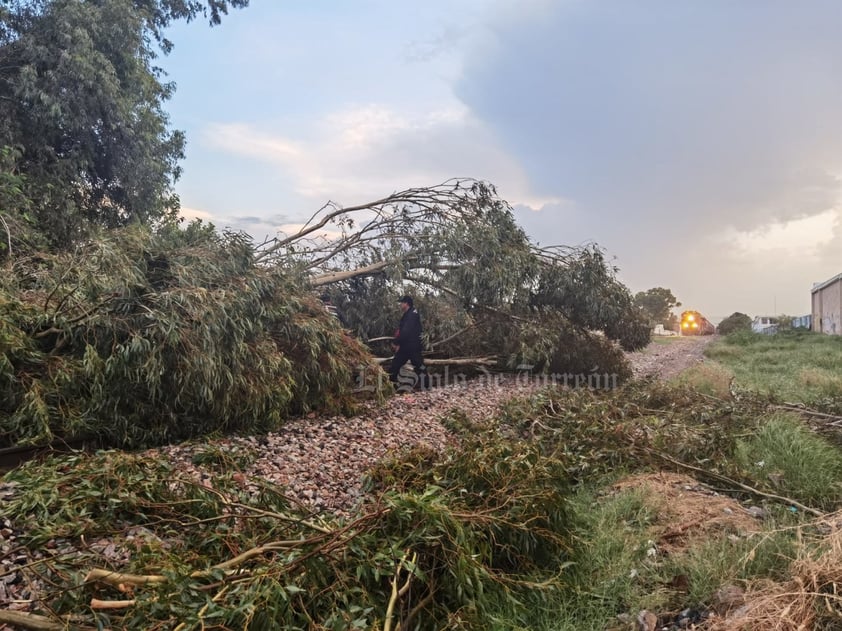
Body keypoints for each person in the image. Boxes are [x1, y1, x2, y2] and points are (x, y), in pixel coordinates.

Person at [390, 295, 429, 391]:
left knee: (420, 366)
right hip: (406, 346)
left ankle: (426, 386)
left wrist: (396, 342)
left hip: (412, 347)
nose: (400, 305)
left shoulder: (412, 314)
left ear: (406, 303)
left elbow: (405, 331)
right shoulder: (408, 314)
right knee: (395, 365)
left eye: (401, 303)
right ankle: (392, 386)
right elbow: (403, 330)